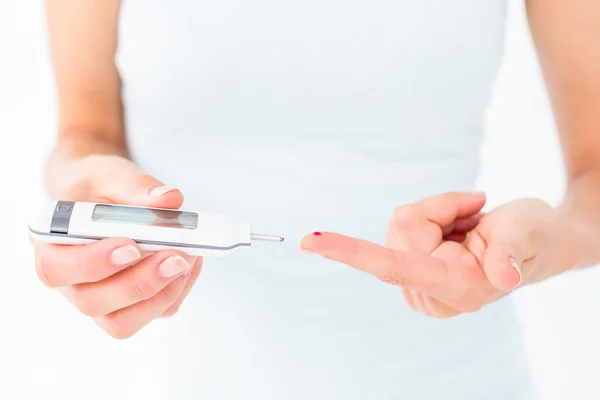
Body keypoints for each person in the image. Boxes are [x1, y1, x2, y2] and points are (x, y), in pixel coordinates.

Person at [31, 0, 600, 399]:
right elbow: (84, 137)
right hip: (197, 383)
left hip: (458, 381)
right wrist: (86, 181)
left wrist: (544, 242)